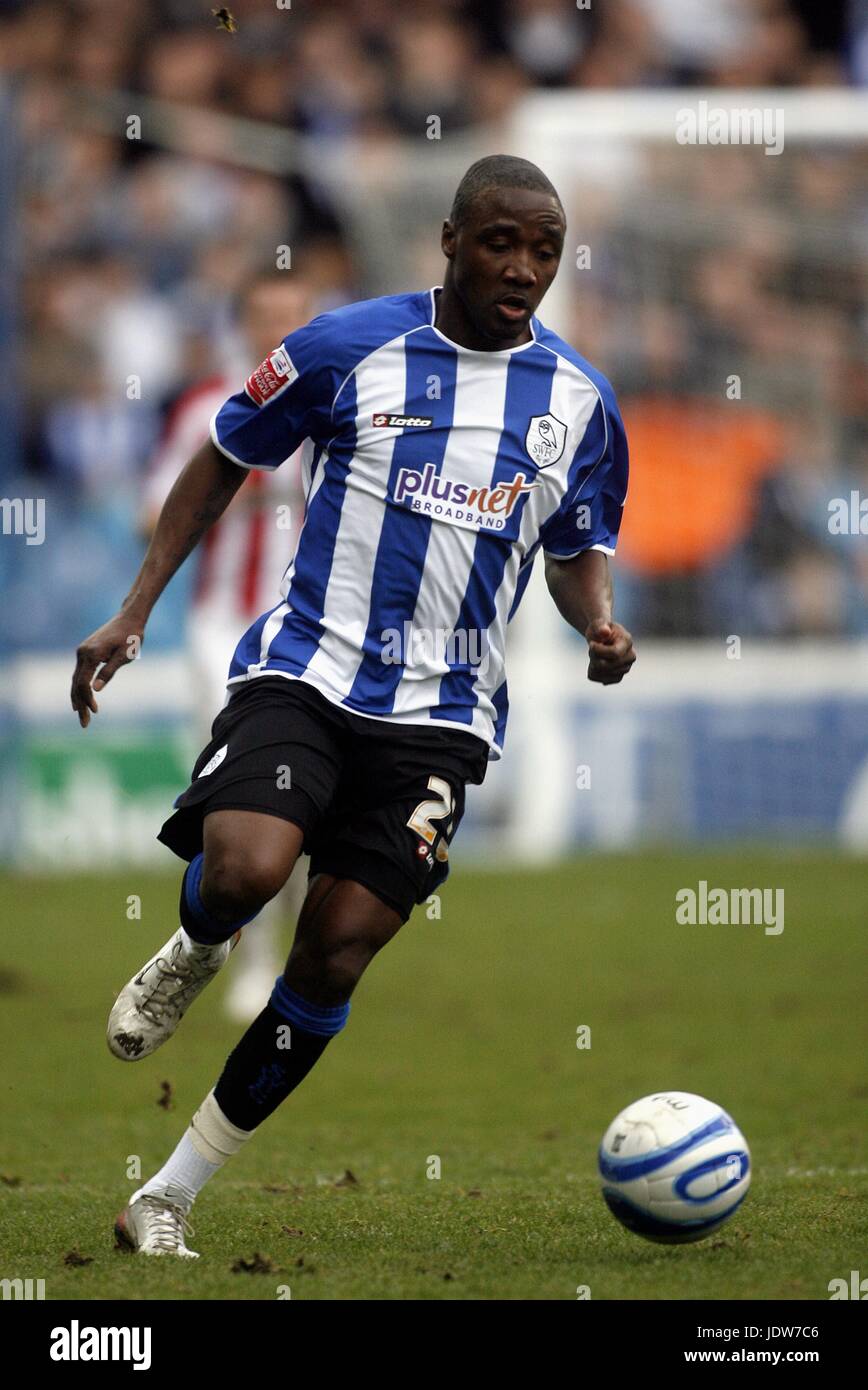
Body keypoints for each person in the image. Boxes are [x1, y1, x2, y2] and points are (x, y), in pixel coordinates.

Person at [70, 154, 636, 1259]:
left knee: (334, 951)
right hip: (311, 672)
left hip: (445, 718)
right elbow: (223, 454)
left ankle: (168, 1195)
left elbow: (575, 545)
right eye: (497, 243)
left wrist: (598, 623)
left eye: (541, 252)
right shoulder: (345, 348)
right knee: (245, 871)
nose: (520, 268)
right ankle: (193, 944)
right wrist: (134, 612)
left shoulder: (578, 401)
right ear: (448, 240)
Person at [140, 271, 312, 1020]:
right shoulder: (209, 409)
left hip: (308, 631)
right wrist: (245, 487)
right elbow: (155, 512)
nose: (277, 330)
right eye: (265, 317)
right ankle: (221, 944)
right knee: (241, 792)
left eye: (292, 318)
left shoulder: (338, 402)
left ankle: (270, 962)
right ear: (241, 323)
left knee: (300, 805)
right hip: (223, 629)